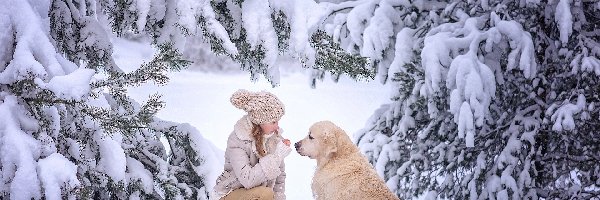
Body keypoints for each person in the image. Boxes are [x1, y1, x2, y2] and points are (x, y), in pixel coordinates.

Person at [212, 89, 292, 200]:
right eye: (273, 122)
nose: (277, 127)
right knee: (265, 194)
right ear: (260, 121)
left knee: (268, 194)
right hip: (231, 193)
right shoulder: (237, 139)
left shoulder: (274, 138)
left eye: (278, 121)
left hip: (258, 193)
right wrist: (276, 156)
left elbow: (280, 178)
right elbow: (248, 179)